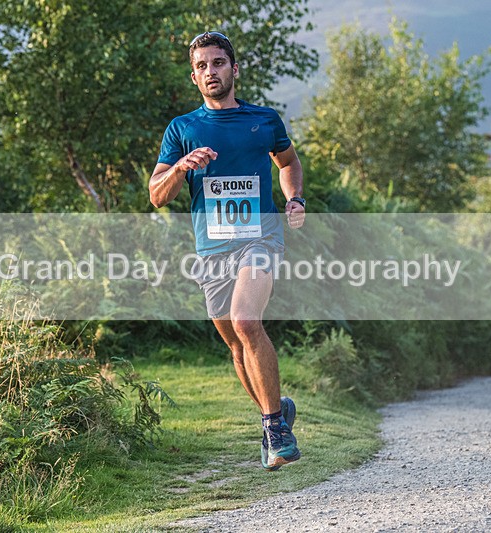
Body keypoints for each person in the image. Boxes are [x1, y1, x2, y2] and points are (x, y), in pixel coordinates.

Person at [149, 31, 306, 470]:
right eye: (202, 66)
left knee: (245, 320)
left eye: (218, 63)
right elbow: (157, 195)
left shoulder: (263, 120)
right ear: (194, 77)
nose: (210, 72)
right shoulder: (182, 129)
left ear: (234, 69)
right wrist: (181, 166)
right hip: (211, 249)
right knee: (236, 345)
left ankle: (276, 429)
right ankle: (273, 414)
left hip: (260, 238)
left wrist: (294, 198)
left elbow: (289, 162)